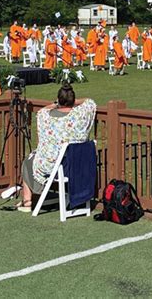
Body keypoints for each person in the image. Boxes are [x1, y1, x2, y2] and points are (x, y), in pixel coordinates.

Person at [17, 84, 97, 212]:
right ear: (73, 100)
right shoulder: (81, 114)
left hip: (53, 166)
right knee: (33, 159)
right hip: (78, 164)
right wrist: (73, 102)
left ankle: (27, 201)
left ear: (59, 99)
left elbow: (42, 110)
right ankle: (28, 200)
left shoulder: (45, 117)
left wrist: (56, 104)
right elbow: (90, 101)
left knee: (28, 161)